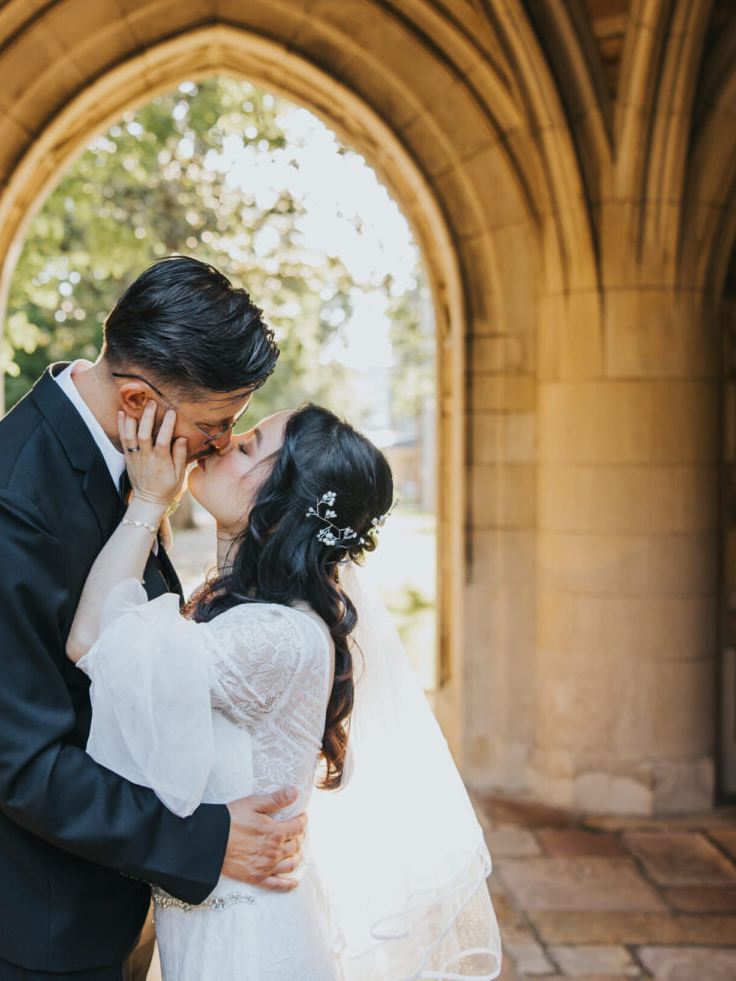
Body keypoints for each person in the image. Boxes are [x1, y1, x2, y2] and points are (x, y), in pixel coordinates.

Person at [0, 256, 308, 981]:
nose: (221, 443)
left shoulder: (133, 462)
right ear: (136, 398)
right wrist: (205, 839)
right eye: (216, 423)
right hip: (32, 909)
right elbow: (23, 759)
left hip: (109, 878)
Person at [67, 401, 503, 980]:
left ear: (281, 508)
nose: (224, 443)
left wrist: (148, 501)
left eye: (247, 446)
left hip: (245, 947)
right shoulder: (260, 616)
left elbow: (94, 639)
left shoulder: (275, 635)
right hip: (222, 926)